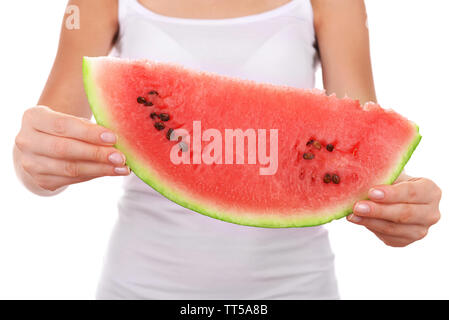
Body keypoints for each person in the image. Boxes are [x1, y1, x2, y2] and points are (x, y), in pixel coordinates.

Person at [13, 0, 441, 299]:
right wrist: (34, 162)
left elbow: (357, 152)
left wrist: (400, 204)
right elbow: (46, 147)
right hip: (141, 286)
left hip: (295, 287)